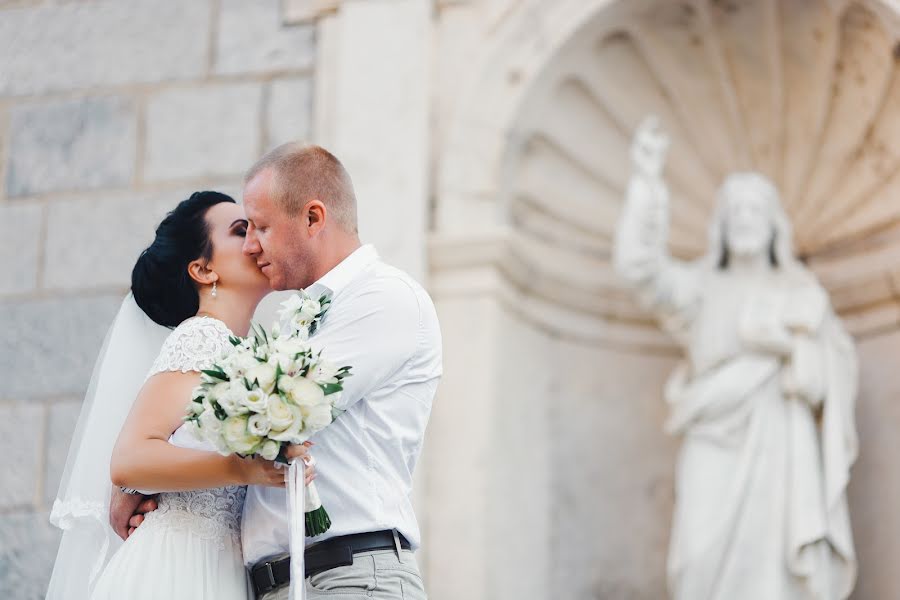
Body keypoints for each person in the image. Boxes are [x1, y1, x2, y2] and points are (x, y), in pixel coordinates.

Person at [614, 118, 858, 599]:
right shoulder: (700, 287)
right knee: (696, 558)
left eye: (755, 209)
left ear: (773, 225)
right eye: (735, 210)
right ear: (721, 225)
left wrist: (787, 348)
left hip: (783, 438)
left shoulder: (801, 293)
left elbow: (829, 382)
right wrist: (647, 185)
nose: (745, 218)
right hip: (713, 433)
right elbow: (639, 272)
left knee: (779, 561)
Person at [47, 191, 315, 600]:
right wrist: (241, 470)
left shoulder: (242, 351)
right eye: (241, 230)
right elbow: (129, 460)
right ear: (203, 270)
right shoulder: (201, 337)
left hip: (223, 565)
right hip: (176, 566)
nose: (256, 241)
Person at [238, 143, 442, 599]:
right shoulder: (301, 314)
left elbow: (280, 411)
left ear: (313, 218)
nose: (251, 246)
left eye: (262, 226)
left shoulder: (385, 298)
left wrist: (153, 466)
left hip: (351, 578)